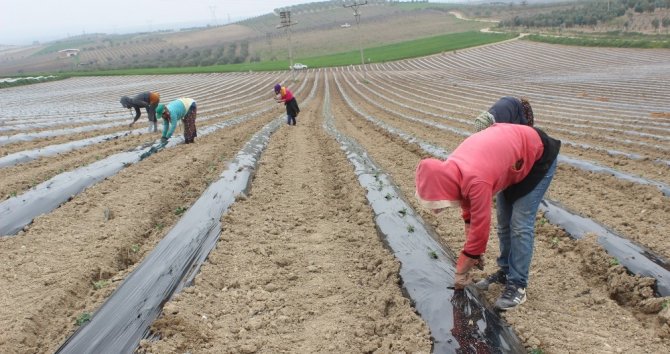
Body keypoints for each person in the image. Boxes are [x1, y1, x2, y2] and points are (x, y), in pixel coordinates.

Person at [415, 123, 560, 310]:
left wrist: (463, 268)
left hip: (537, 156)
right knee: (504, 223)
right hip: (513, 160)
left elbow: (481, 228)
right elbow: (470, 214)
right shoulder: (453, 170)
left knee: (520, 224)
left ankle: (518, 285)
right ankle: (506, 271)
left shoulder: (476, 180)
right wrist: (474, 254)